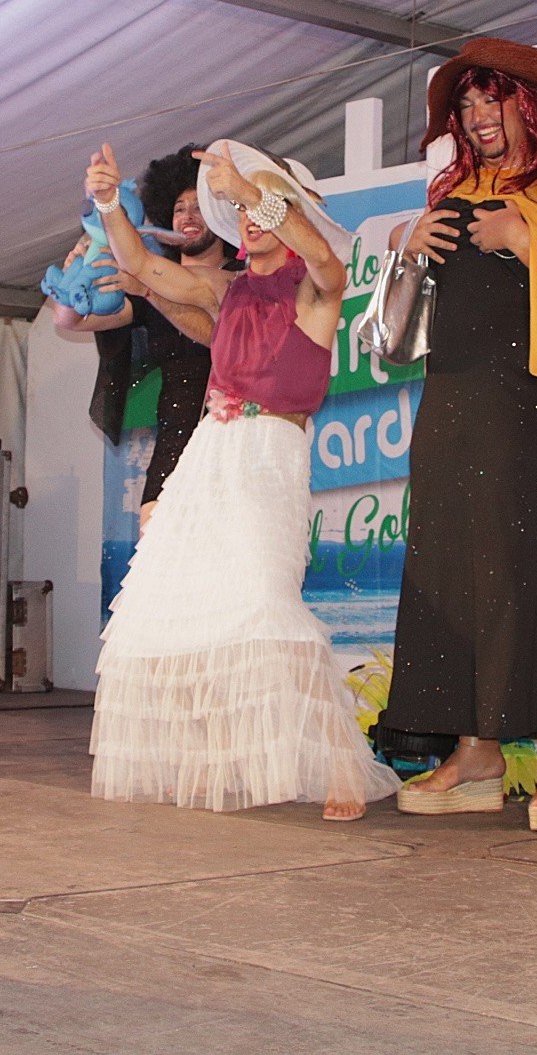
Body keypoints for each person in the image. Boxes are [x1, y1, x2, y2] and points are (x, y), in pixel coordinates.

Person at [82, 141, 399, 820]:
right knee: (164, 605)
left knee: (266, 604)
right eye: (242, 209)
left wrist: (253, 190)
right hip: (209, 455)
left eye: (261, 206)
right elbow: (140, 264)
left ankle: (340, 766)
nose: (249, 218)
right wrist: (108, 202)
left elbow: (324, 258)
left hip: (270, 455)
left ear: (286, 211)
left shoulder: (316, 285)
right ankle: (210, 758)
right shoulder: (225, 290)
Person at [379, 39, 537, 833]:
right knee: (452, 561)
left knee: (531, 564)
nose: (479, 117)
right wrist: (405, 240)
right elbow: (409, 308)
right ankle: (476, 749)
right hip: (452, 392)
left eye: (494, 100)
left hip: (535, 396)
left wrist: (528, 240)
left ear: (531, 107)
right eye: (466, 105)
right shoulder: (451, 190)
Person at [49, 147, 236, 529]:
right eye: (179, 208)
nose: (187, 216)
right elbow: (69, 321)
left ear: (221, 215)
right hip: (174, 443)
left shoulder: (238, 278)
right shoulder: (146, 281)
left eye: (199, 206)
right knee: (154, 548)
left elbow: (214, 332)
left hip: (232, 442)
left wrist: (148, 282)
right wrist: (72, 279)